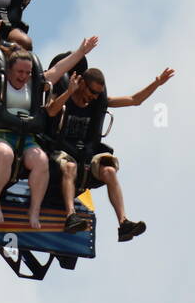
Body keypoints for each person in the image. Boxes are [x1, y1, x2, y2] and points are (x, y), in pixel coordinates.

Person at [0, 12, 96, 227]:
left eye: (27, 72)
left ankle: (34, 212)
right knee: (4, 155)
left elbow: (59, 70)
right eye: (19, 72)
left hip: (25, 138)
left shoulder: (32, 83)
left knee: (41, 160)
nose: (23, 77)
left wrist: (81, 52)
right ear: (9, 70)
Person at [47, 66, 174, 241]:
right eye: (92, 92)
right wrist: (69, 92)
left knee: (109, 170)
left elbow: (134, 100)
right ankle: (71, 216)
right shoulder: (65, 96)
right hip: (59, 152)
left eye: (98, 94)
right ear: (82, 83)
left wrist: (157, 83)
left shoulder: (97, 102)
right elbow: (51, 110)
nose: (94, 97)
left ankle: (123, 223)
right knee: (70, 166)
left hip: (86, 154)